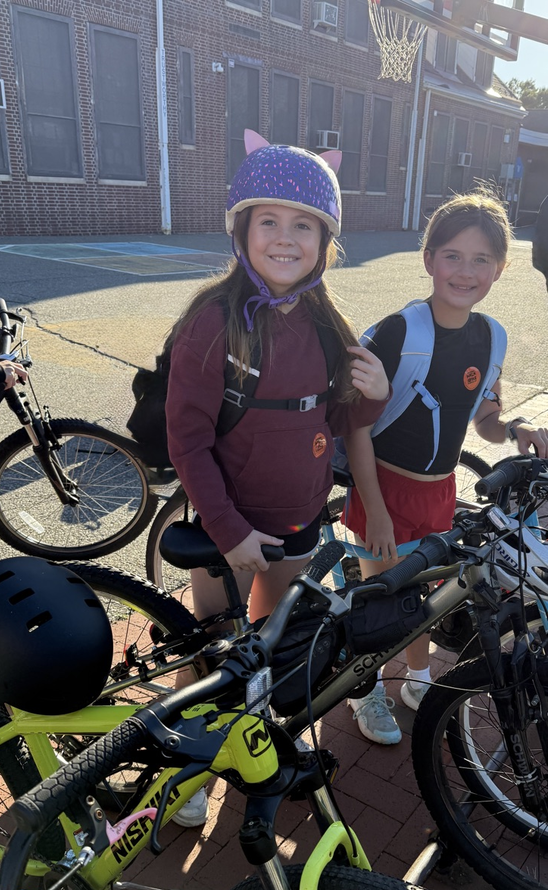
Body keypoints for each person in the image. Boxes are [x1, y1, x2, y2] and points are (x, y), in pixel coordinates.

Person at [165, 129, 390, 823]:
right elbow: (187, 438)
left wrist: (376, 391)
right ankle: (188, 767)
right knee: (207, 648)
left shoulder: (329, 324)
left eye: (304, 225)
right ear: (242, 230)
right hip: (225, 524)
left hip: (299, 522)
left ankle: (251, 738)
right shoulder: (215, 320)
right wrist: (229, 531)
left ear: (325, 241)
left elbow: (350, 415)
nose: (286, 238)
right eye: (270, 221)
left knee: (267, 642)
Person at [342, 186, 548, 745]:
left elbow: (483, 419)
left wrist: (515, 431)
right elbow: (356, 425)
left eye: (481, 259)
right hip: (380, 488)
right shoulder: (398, 332)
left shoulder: (491, 337)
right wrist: (377, 512)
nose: (465, 270)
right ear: (428, 259)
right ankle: (367, 695)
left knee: (427, 599)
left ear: (501, 269)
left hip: (439, 490)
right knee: (379, 600)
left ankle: (417, 678)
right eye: (452, 255)